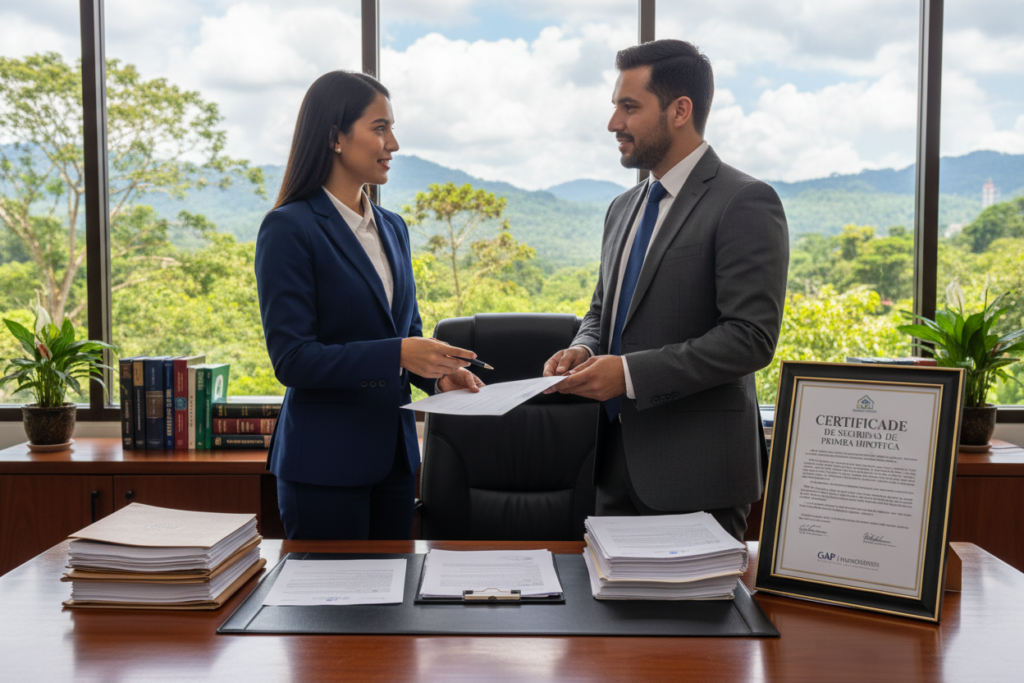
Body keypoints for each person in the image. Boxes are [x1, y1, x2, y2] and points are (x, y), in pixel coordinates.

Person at [543, 40, 789, 542]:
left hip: (697, 477)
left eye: (629, 107)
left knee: (698, 622)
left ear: (681, 111)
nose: (614, 123)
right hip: (613, 469)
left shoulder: (745, 201)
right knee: (613, 620)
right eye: (615, 106)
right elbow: (601, 309)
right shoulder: (622, 208)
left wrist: (629, 374)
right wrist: (584, 346)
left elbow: (749, 338)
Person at [255, 71, 483, 541]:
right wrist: (398, 353)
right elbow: (293, 360)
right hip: (324, 467)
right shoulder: (289, 228)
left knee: (393, 608)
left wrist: (438, 375)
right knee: (333, 610)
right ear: (335, 137)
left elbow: (408, 329)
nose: (393, 144)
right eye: (380, 128)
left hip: (395, 465)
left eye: (391, 128)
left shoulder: (393, 227)